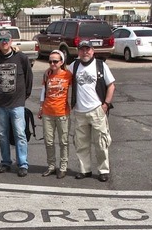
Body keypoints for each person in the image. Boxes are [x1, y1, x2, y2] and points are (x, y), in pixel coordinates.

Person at [68, 41, 116, 183]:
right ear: (78, 52)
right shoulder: (74, 66)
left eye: (87, 49)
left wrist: (106, 104)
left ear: (93, 51)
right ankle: (85, 170)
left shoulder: (101, 65)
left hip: (97, 110)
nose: (85, 53)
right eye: (82, 50)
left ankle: (103, 170)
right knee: (81, 143)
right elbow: (62, 77)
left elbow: (111, 85)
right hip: (79, 112)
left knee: (101, 142)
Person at [0, 29, 33, 177]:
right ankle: (5, 162)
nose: (4, 42)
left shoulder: (20, 57)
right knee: (2, 134)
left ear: (11, 41)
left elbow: (29, 77)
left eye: (7, 40)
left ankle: (22, 163)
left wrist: (24, 96)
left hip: (17, 103)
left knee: (20, 134)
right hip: (0, 103)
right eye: (1, 40)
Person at [38, 49, 73, 179]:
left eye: (55, 61)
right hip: (47, 112)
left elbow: (77, 89)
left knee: (63, 142)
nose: (52, 64)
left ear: (61, 62)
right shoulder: (47, 75)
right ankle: (51, 166)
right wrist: (41, 107)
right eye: (50, 61)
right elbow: (43, 91)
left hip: (62, 112)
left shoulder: (68, 75)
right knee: (49, 141)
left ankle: (63, 167)